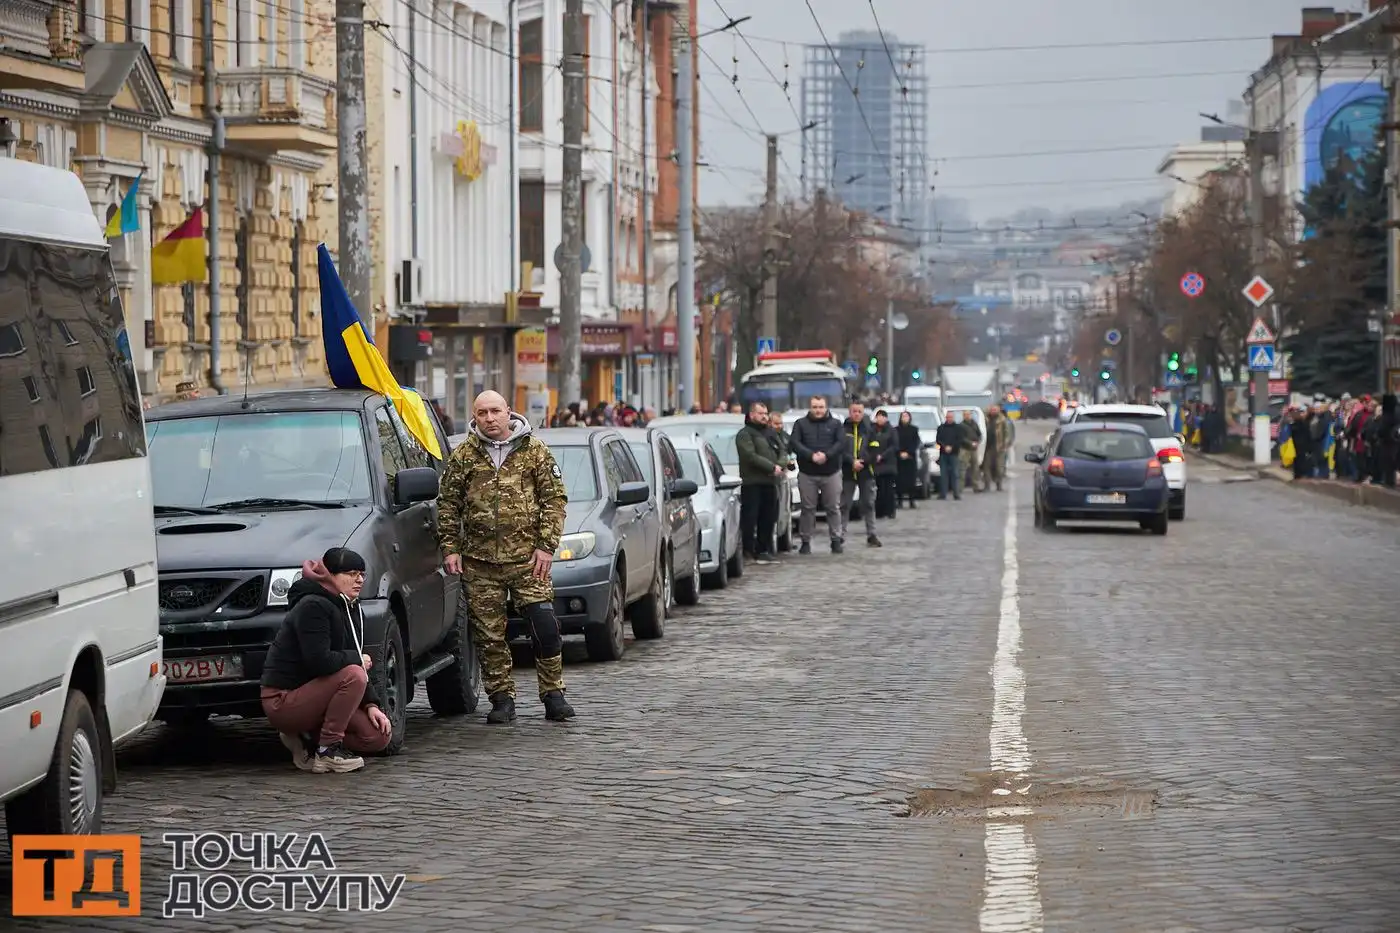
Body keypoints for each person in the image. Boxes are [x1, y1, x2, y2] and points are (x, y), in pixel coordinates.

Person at [438, 390, 574, 724]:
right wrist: (450, 547)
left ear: (508, 412)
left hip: (528, 559)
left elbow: (554, 500)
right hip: (480, 562)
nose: (489, 418)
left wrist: (546, 545)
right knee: (489, 636)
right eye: (482, 413)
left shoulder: (534, 451)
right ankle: (501, 698)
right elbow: (447, 503)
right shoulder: (463, 456)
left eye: (495, 411)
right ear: (475, 416)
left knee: (544, 627)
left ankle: (553, 693)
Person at [260, 547, 393, 773]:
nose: (359, 580)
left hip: (318, 695)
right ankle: (327, 751)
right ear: (330, 575)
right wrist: (357, 659)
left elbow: (348, 656)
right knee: (354, 673)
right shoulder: (312, 605)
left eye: (362, 574)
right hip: (282, 700)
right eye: (351, 574)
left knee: (377, 737)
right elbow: (319, 661)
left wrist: (372, 704)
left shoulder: (347, 604)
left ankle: (307, 739)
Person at [789, 395, 846, 554]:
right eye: (815, 407)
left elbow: (841, 443)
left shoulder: (835, 424)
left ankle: (836, 540)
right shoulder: (800, 424)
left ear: (826, 407)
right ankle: (805, 541)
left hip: (831, 472)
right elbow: (795, 443)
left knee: (833, 507)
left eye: (821, 407)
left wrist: (826, 455)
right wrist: (811, 455)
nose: (818, 410)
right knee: (807, 509)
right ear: (810, 407)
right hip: (808, 472)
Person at [735, 402, 785, 563]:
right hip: (753, 482)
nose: (764, 416)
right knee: (750, 518)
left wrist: (780, 464)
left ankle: (764, 549)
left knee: (768, 518)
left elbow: (783, 451)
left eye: (766, 413)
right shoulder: (745, 434)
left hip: (770, 482)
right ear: (751, 415)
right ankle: (749, 550)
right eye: (761, 413)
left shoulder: (770, 433)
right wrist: (771, 466)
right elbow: (750, 456)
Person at [841, 401, 881, 547]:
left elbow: (875, 450)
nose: (856, 414)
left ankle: (872, 534)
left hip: (866, 472)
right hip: (847, 472)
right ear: (850, 412)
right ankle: (840, 534)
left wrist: (863, 463)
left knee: (869, 504)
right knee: (844, 505)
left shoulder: (870, 430)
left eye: (859, 411)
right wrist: (851, 462)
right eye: (854, 411)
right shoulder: (843, 429)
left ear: (863, 413)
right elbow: (840, 450)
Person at [869, 409, 899, 519]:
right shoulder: (872, 430)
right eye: (878, 417)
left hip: (889, 463)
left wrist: (883, 455)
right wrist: (874, 455)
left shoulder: (891, 430)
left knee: (889, 489)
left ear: (886, 418)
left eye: (882, 417)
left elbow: (894, 446)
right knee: (879, 489)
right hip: (876, 464)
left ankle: (890, 511)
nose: (880, 419)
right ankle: (879, 511)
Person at [982, 404, 1014, 492]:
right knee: (986, 467)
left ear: (998, 410)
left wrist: (1005, 443)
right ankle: (987, 485)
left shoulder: (1002, 420)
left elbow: (1007, 433)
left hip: (999, 447)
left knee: (999, 467)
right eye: (992, 410)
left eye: (995, 410)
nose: (993, 411)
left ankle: (999, 484)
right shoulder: (985, 419)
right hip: (987, 447)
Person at [895, 410, 922, 509]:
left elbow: (916, 443)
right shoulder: (896, 430)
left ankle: (912, 500)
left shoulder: (914, 429)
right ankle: (899, 501)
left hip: (910, 458)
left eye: (906, 416)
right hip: (899, 458)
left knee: (911, 481)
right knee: (899, 481)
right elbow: (895, 443)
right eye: (903, 416)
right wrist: (900, 452)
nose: (905, 418)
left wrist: (908, 452)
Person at [935, 411, 963, 501]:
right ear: (945, 418)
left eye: (951, 417)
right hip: (943, 453)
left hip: (954, 453)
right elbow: (938, 440)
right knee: (943, 474)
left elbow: (959, 440)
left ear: (953, 418)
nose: (949, 419)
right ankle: (943, 494)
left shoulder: (958, 428)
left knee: (955, 474)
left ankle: (956, 493)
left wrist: (952, 447)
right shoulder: (941, 428)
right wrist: (944, 447)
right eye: (948, 417)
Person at [959, 411, 983, 493]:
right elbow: (961, 438)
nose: (967, 416)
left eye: (968, 415)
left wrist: (978, 441)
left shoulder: (974, 424)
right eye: (965, 415)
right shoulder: (961, 426)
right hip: (965, 449)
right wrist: (970, 443)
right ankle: (960, 488)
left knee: (975, 468)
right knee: (962, 468)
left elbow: (979, 434)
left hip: (974, 449)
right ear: (963, 416)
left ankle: (976, 486)